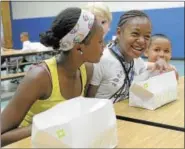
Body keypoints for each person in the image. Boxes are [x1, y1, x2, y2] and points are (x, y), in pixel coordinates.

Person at [1, 7, 104, 146]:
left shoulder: (87, 70)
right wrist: (47, 125)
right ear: (79, 48)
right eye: (100, 41)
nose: (104, 46)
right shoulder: (40, 77)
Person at [87, 10, 170, 103]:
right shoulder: (101, 60)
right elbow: (88, 100)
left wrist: (160, 62)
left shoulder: (136, 61)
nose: (142, 41)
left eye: (147, 36)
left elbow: (149, 66)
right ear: (119, 33)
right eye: (135, 34)